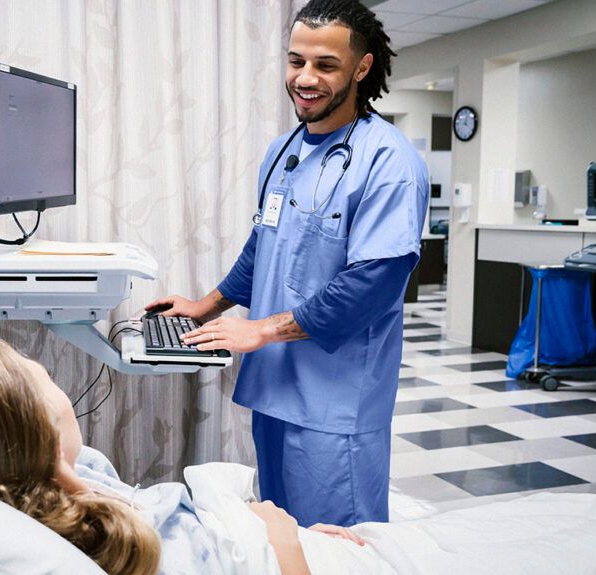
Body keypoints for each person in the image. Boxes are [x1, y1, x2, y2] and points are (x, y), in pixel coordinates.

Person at [146, 0, 428, 528]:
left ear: (362, 69)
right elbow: (266, 246)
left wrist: (262, 330)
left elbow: (375, 283)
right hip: (278, 389)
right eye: (296, 61)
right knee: (285, 536)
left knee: (338, 548)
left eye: (325, 65)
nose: (305, 78)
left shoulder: (389, 162)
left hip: (335, 403)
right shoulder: (286, 150)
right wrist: (205, 306)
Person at [0, 339, 364, 575]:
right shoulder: (125, 548)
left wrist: (278, 530)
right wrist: (284, 540)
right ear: (46, 427)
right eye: (41, 375)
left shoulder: (77, 481)